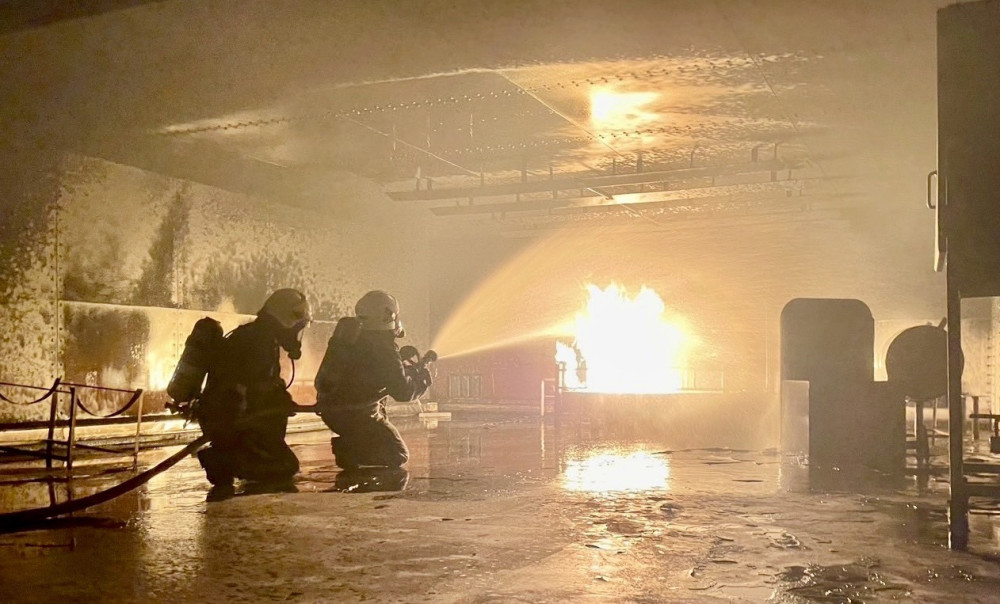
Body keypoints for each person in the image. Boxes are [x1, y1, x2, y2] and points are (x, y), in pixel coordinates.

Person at [196, 288, 311, 501]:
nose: (296, 334)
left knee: (284, 465)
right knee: (284, 468)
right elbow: (255, 385)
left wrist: (280, 399)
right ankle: (222, 460)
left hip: (228, 416)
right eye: (297, 326)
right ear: (286, 320)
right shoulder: (261, 341)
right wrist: (280, 402)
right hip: (233, 419)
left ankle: (229, 456)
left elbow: (261, 382)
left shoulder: (256, 334)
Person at [315, 290, 432, 470]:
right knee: (398, 454)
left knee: (375, 417)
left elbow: (367, 372)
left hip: (332, 412)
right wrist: (422, 379)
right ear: (389, 315)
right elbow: (403, 391)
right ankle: (350, 451)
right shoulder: (384, 347)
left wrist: (401, 364)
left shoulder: (352, 338)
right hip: (359, 415)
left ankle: (352, 446)